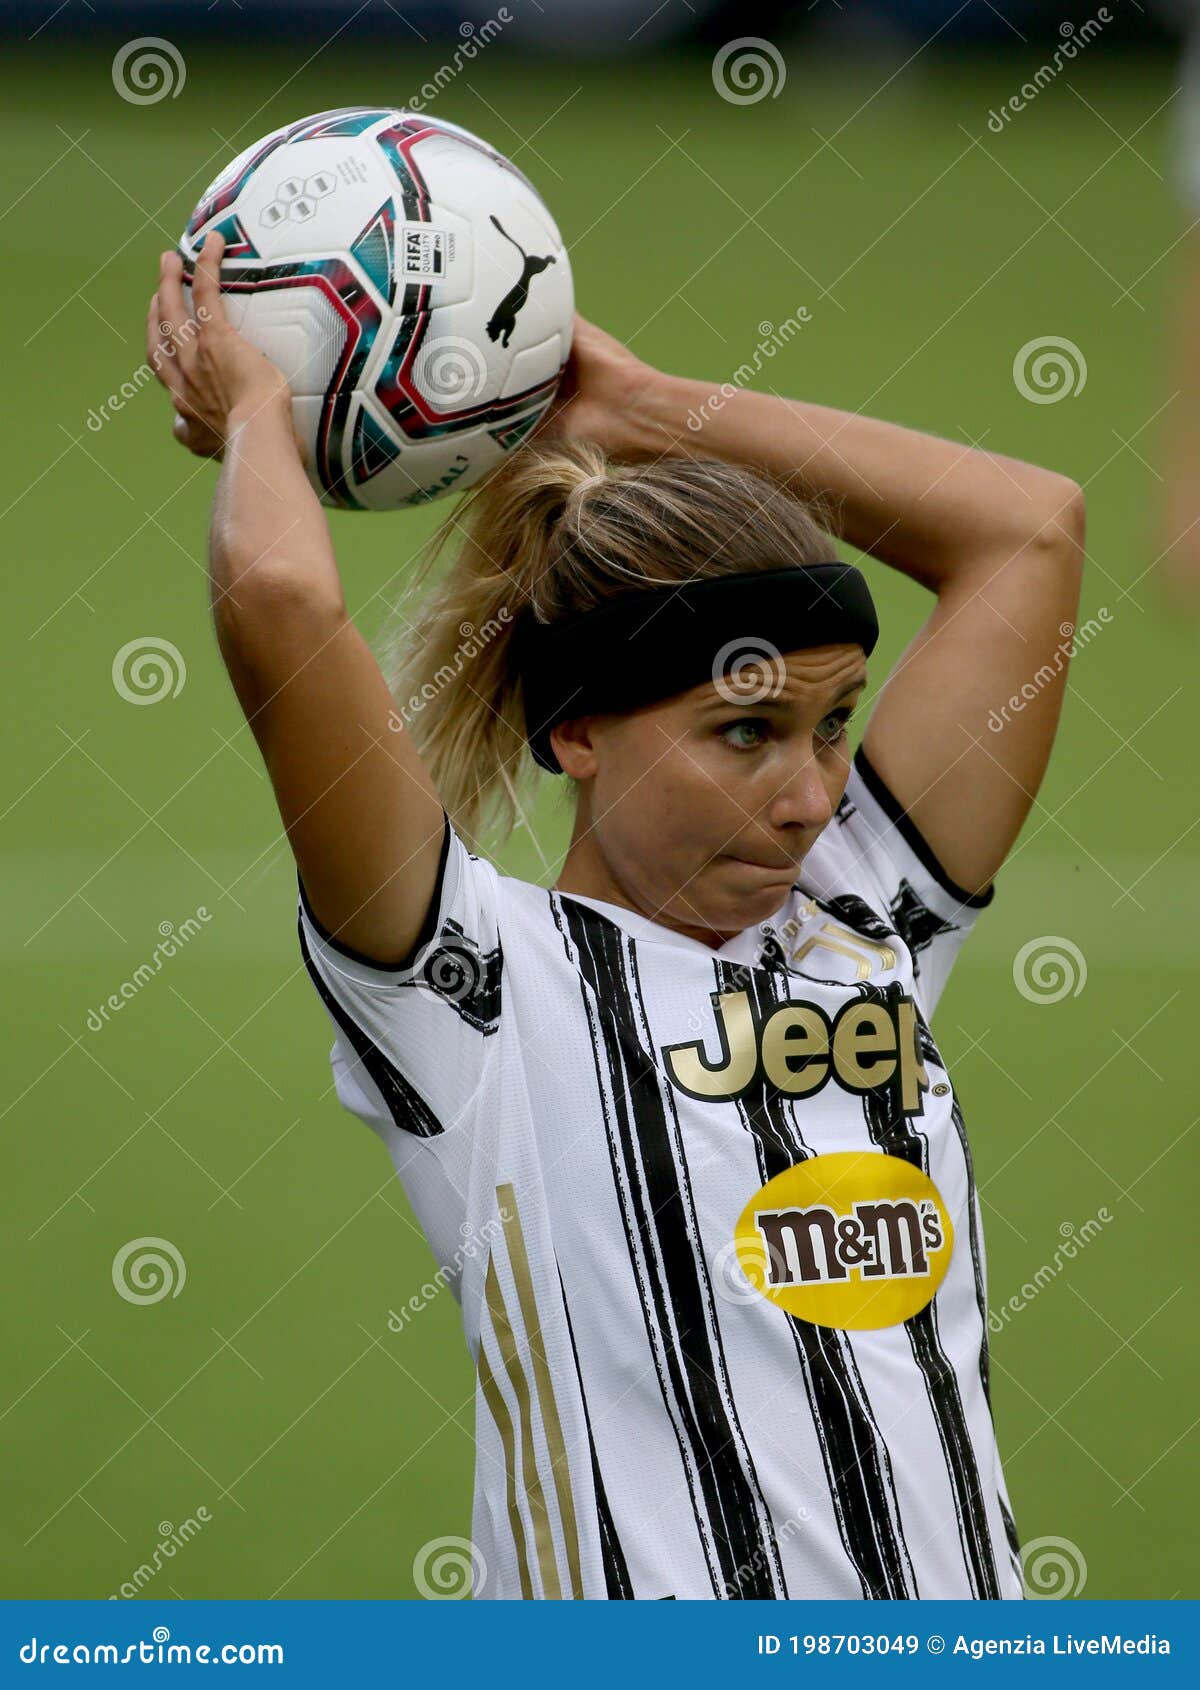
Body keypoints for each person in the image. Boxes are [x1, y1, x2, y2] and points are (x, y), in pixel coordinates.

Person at [149, 229, 1086, 1601]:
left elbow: (1033, 529)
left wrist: (645, 412)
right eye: (745, 730)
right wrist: (258, 411)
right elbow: (284, 604)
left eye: (836, 726)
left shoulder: (866, 913)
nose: (810, 795)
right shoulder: (470, 987)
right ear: (578, 730)